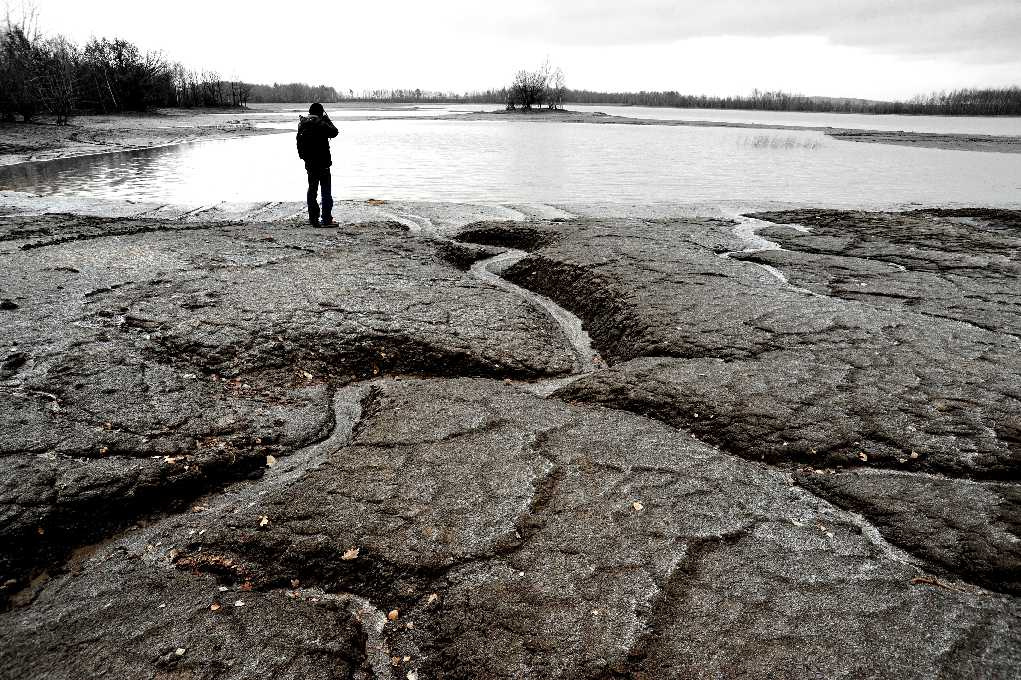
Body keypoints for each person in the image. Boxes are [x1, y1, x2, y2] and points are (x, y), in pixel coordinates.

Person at [296, 103, 340, 227]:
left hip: (309, 164)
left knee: (312, 191)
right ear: (320, 112)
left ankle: (313, 219)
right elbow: (334, 132)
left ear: (310, 112)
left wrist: (305, 159)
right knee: (326, 192)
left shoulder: (302, 123)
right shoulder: (321, 123)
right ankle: (326, 220)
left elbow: (299, 143)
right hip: (323, 163)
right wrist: (327, 119)